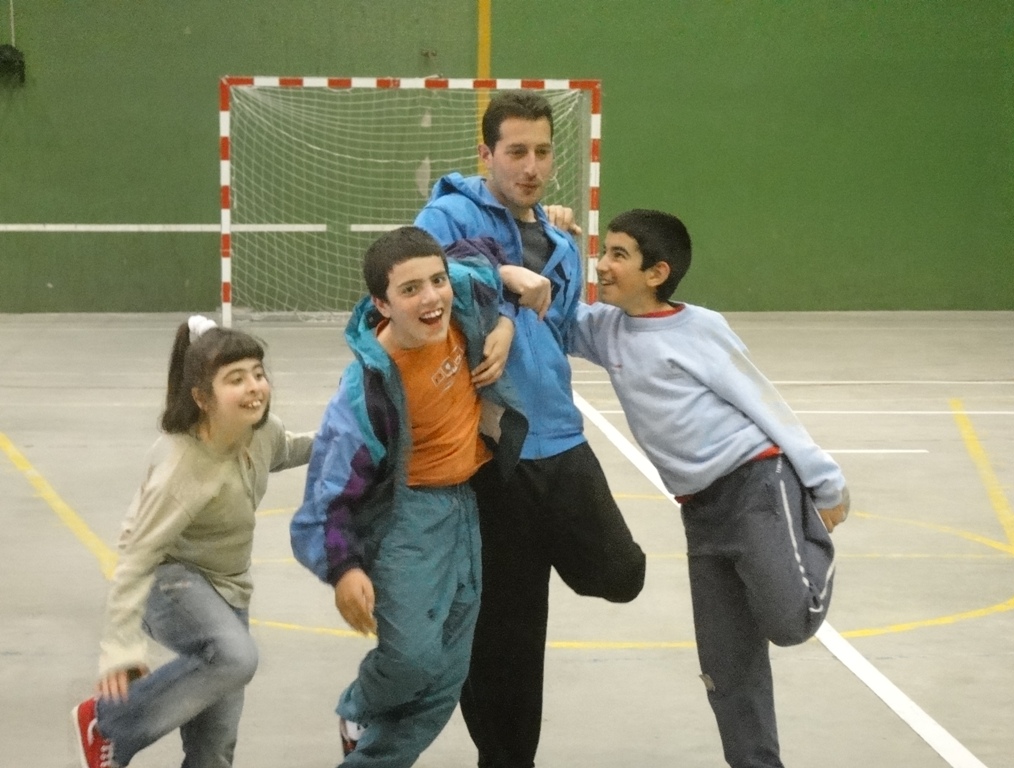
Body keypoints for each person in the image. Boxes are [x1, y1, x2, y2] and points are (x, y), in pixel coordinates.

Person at [564, 209, 851, 768]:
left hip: (755, 485)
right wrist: (547, 233)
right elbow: (549, 310)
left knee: (790, 621)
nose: (602, 265)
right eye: (604, 251)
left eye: (619, 255)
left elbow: (763, 401)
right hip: (699, 512)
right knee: (726, 668)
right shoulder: (607, 329)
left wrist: (823, 481)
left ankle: (808, 537)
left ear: (657, 272)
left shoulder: (699, 329)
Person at [414, 90, 646, 768]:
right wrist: (501, 277)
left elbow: (567, 326)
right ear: (486, 154)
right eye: (516, 152)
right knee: (511, 636)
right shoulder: (450, 212)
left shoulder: (561, 237)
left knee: (621, 572)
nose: (531, 165)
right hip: (493, 452)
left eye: (543, 152)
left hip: (561, 441)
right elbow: (416, 274)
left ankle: (513, 570)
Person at [289, 227, 528, 767]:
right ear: (381, 304)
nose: (432, 298)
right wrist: (345, 568)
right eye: (411, 289)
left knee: (446, 680)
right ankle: (358, 704)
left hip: (466, 509)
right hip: (410, 522)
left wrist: (511, 309)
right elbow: (326, 500)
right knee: (413, 660)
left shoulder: (461, 299)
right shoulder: (365, 393)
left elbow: (484, 259)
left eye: (437, 281)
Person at [71, 316, 314, 768]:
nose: (255, 387)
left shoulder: (261, 432)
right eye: (236, 380)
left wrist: (346, 439)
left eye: (258, 374)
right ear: (202, 398)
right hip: (168, 582)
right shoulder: (182, 469)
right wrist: (120, 648)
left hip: (228, 589)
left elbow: (290, 449)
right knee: (235, 657)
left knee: (214, 746)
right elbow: (135, 557)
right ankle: (107, 722)